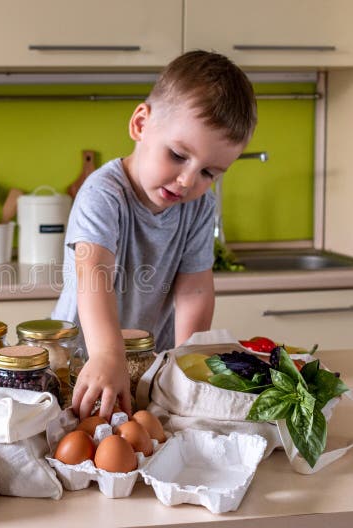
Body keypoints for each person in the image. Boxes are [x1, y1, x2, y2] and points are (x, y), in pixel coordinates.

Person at [51, 50, 258, 420]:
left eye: (210, 172)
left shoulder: (198, 206)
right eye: (178, 155)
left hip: (148, 364)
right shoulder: (104, 193)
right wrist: (108, 354)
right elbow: (93, 273)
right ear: (141, 124)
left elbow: (194, 289)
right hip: (85, 361)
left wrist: (185, 362)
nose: (188, 181)